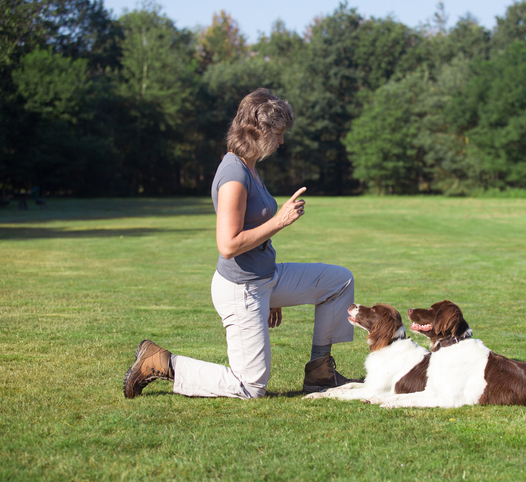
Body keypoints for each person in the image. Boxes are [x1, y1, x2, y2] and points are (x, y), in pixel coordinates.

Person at [123, 88, 358, 399]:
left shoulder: (249, 166)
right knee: (250, 386)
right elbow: (228, 244)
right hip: (242, 288)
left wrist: (273, 293)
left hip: (266, 278)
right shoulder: (234, 173)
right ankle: (162, 362)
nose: (281, 141)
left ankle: (320, 373)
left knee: (338, 281)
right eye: (278, 132)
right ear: (257, 129)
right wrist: (280, 221)